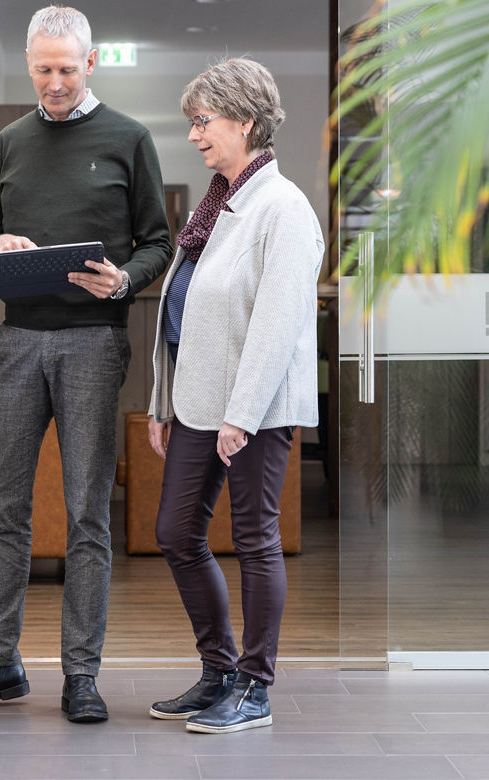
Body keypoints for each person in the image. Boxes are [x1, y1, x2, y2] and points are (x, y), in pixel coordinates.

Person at [0, 5, 172, 723]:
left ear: (90, 63)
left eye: (68, 68)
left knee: (86, 512)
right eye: (43, 69)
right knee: (2, 507)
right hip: (20, 339)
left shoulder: (128, 138)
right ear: (29, 64)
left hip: (95, 342)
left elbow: (157, 242)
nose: (56, 81)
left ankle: (81, 675)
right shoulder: (11, 140)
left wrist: (125, 279)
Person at [145, 58, 323, 734]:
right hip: (197, 401)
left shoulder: (282, 208)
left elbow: (276, 326)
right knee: (176, 532)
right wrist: (163, 402)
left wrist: (242, 417)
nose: (193, 135)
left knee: (254, 538)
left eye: (203, 121)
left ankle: (255, 687)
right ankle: (218, 670)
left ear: (246, 122)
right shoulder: (218, 203)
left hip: (254, 407)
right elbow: (188, 308)